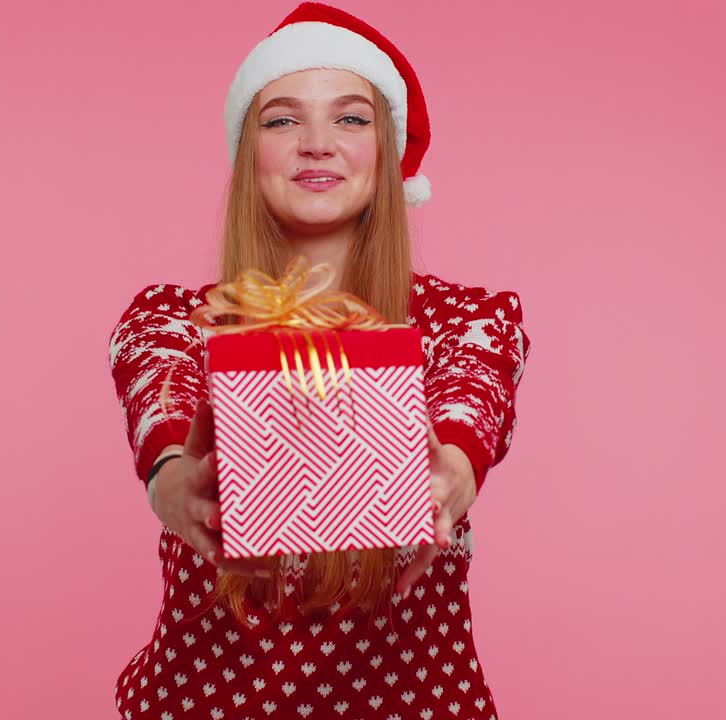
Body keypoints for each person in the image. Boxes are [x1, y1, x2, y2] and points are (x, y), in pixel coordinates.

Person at [107, 3, 531, 718]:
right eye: (282, 121)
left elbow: (472, 400)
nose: (316, 144)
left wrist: (451, 477)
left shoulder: (471, 321)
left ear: (386, 151)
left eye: (350, 118)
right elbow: (160, 402)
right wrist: (175, 483)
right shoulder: (174, 321)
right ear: (249, 152)